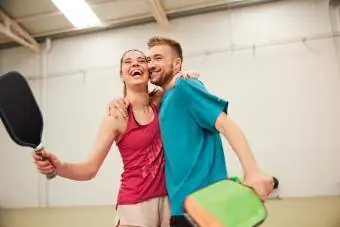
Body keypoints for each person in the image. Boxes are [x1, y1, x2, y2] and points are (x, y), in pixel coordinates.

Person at [109, 37, 274, 227]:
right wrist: (118, 101)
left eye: (158, 58)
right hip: (180, 207)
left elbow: (226, 125)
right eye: (149, 60)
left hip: (205, 204)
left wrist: (252, 171)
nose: (152, 64)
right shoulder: (164, 98)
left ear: (177, 63)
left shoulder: (185, 86)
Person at [32, 49, 198, 227]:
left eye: (141, 60)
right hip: (135, 206)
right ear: (122, 74)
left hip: (168, 203)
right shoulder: (116, 118)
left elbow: (178, 80)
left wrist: (184, 75)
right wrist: (60, 167)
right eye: (128, 61)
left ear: (149, 71)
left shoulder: (160, 100)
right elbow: (89, 169)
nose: (134, 63)